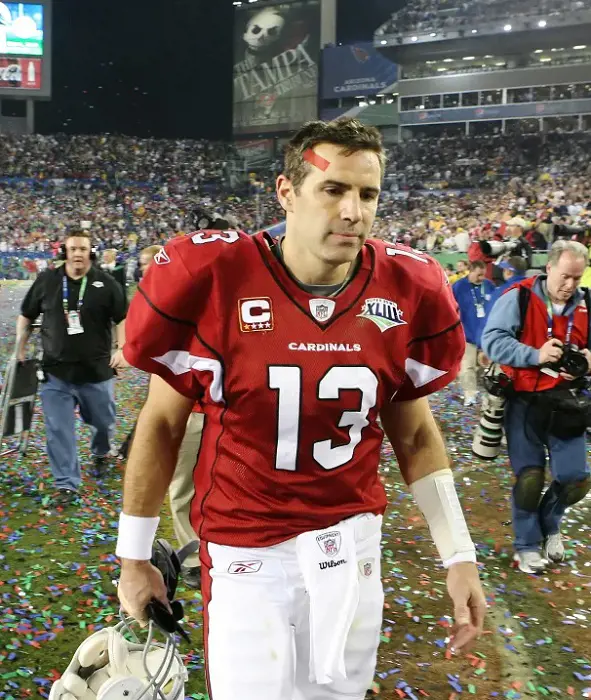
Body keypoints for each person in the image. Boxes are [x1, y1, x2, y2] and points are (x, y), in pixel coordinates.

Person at [116, 118, 486, 700]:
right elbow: (162, 424)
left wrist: (458, 555)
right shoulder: (219, 278)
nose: (353, 210)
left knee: (338, 694)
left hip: (351, 542)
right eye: (333, 188)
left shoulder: (406, 287)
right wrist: (133, 557)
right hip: (244, 546)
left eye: (368, 194)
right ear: (287, 193)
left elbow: (414, 435)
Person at [481, 240, 591, 574]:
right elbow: (492, 341)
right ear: (548, 268)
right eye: (564, 276)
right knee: (529, 479)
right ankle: (527, 545)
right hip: (524, 402)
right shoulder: (519, 296)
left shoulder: (587, 305)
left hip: (568, 404)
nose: (570, 285)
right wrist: (535, 355)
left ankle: (551, 525)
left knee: (575, 480)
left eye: (577, 277)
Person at [16, 231, 128, 507]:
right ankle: (67, 484)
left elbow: (122, 318)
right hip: (56, 372)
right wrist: (20, 347)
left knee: (103, 423)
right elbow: (26, 315)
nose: (78, 253)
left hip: (96, 371)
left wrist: (123, 349)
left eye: (83, 249)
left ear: (91, 252)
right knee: (58, 429)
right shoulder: (47, 280)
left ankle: (101, 452)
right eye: (73, 248)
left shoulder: (106, 282)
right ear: (64, 250)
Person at [119, 242, 204, 589]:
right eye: (143, 263)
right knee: (183, 485)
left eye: (153, 262)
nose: (148, 268)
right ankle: (194, 557)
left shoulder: (199, 297)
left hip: (218, 410)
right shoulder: (154, 302)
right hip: (186, 410)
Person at [453, 261, 495, 406]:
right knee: (467, 366)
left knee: (486, 367)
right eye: (479, 275)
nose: (482, 278)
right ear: (470, 271)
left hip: (486, 336)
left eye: (483, 274)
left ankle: (484, 393)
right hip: (467, 334)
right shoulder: (458, 287)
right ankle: (469, 394)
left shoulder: (489, 285)